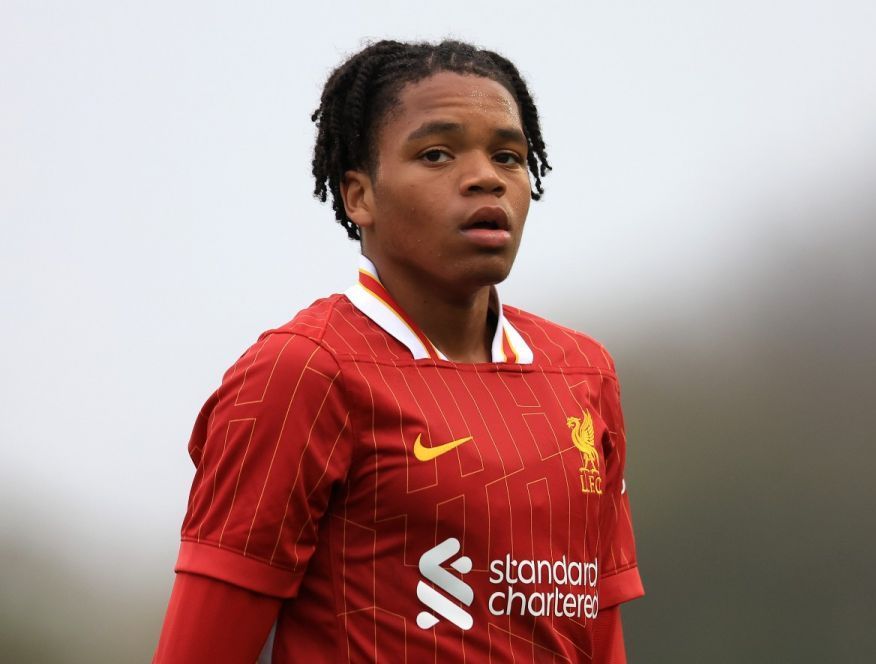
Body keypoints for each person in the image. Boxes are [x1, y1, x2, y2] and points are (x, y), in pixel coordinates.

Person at [154, 39, 644, 663]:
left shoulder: (581, 372)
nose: (486, 177)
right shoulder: (304, 371)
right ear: (359, 196)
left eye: (509, 156)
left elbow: (598, 636)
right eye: (436, 154)